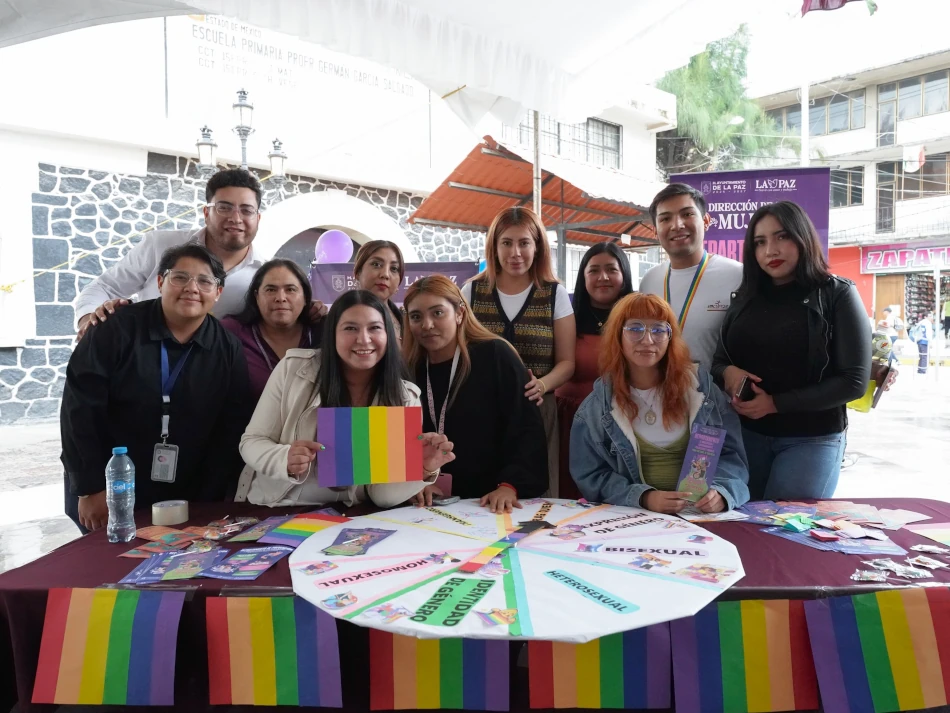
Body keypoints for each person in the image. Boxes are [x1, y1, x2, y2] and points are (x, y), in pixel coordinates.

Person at [60, 244, 251, 533]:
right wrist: (90, 487)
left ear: (218, 292)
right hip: (112, 485)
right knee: (110, 556)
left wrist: (210, 498)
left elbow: (230, 426)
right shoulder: (115, 328)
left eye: (204, 281)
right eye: (180, 277)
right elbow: (79, 409)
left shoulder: (227, 347)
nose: (192, 288)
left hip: (188, 492)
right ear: (161, 282)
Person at [235, 290, 455, 507]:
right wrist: (284, 459)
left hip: (353, 516)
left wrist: (422, 468)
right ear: (332, 334)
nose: (364, 339)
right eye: (350, 328)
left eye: (375, 328)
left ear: (388, 335)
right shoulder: (293, 370)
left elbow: (383, 496)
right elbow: (252, 441)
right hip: (283, 506)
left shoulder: (404, 397)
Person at [711, 201, 870, 500]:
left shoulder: (837, 294)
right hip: (746, 436)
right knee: (739, 521)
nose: (770, 250)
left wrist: (775, 403)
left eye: (782, 236)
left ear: (802, 237)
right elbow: (719, 360)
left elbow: (854, 381)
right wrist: (727, 372)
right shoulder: (745, 298)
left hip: (811, 438)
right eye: (760, 242)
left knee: (784, 523)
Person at [74, 168, 327, 340]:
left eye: (246, 210)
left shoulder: (264, 276)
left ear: (258, 218)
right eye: (224, 207)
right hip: (145, 371)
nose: (236, 218)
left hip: (213, 384)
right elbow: (103, 287)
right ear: (207, 213)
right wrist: (89, 319)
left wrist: (311, 311)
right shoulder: (160, 245)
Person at [570, 293, 749, 513]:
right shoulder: (595, 409)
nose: (647, 340)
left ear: (670, 337)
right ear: (618, 336)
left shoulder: (704, 393)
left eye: (658, 330)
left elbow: (732, 458)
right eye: (635, 328)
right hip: (635, 518)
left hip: (700, 516)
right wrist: (644, 498)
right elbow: (591, 477)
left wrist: (722, 492)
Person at [402, 275, 547, 513]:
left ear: (459, 313)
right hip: (428, 502)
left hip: (489, 501)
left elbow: (525, 428)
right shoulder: (407, 369)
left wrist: (510, 486)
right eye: (416, 316)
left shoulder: (495, 355)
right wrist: (418, 482)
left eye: (437, 313)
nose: (427, 325)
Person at [461, 207, 575, 496]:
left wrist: (542, 385)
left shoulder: (554, 294)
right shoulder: (471, 292)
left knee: (536, 499)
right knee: (479, 499)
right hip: (481, 414)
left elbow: (567, 363)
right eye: (507, 243)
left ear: (537, 247)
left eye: (524, 243)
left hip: (537, 411)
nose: (515, 253)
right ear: (494, 247)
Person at [555, 242, 634, 499]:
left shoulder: (636, 320)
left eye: (611, 269)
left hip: (620, 422)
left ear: (624, 276)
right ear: (583, 277)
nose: (603, 277)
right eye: (594, 270)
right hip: (568, 422)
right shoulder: (565, 317)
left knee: (614, 497)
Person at [639, 184, 743, 373]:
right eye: (665, 219)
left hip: (717, 391)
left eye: (687, 214)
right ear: (655, 231)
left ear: (706, 221)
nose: (677, 225)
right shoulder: (649, 281)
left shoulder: (738, 276)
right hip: (661, 388)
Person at [221, 259, 323, 402]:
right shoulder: (231, 332)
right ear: (257, 296)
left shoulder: (325, 333)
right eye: (270, 290)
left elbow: (347, 399)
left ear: (305, 297)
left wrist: (326, 416)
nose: (280, 298)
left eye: (290, 289)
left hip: (320, 417)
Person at [353, 240, 406, 338]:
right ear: (358, 272)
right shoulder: (340, 316)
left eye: (394, 268)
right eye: (376, 264)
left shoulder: (407, 319)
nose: (385, 274)